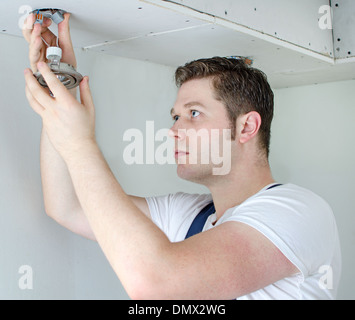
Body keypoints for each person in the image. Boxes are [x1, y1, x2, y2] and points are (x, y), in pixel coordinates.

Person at [23, 13, 341, 300]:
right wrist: (59, 84)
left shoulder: (299, 212)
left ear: (247, 127)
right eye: (175, 117)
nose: (173, 131)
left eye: (193, 113)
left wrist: (80, 145)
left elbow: (156, 285)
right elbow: (68, 205)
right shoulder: (187, 215)